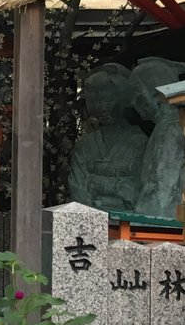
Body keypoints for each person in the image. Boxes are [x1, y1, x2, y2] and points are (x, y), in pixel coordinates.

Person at [67, 65, 148, 213]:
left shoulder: (139, 143)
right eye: (97, 101)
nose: (102, 107)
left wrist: (97, 185)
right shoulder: (85, 145)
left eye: (109, 100)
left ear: (122, 98)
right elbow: (77, 189)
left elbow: (138, 191)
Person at [129, 57, 185, 220]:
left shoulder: (170, 129)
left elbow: (162, 189)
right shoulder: (172, 125)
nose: (133, 102)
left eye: (137, 94)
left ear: (156, 94)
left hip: (165, 224)